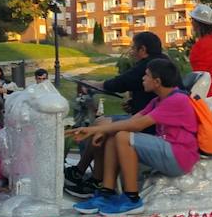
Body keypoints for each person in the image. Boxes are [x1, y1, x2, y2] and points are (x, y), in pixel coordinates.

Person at [67, 58, 199, 216]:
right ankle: (106, 194)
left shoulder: (177, 100)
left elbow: (137, 125)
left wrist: (93, 131)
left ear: (157, 81)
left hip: (179, 157)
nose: (143, 78)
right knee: (114, 135)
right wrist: (102, 130)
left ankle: (132, 199)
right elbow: (132, 120)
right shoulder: (158, 100)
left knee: (123, 137)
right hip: (167, 150)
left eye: (146, 75)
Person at [65, 31, 169, 198]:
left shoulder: (150, 66)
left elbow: (120, 83)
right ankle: (94, 179)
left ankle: (92, 178)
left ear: (143, 49)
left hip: (152, 128)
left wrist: (95, 84)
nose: (143, 79)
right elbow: (150, 102)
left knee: (102, 127)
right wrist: (133, 103)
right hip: (147, 119)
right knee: (102, 125)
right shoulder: (161, 63)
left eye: (133, 48)